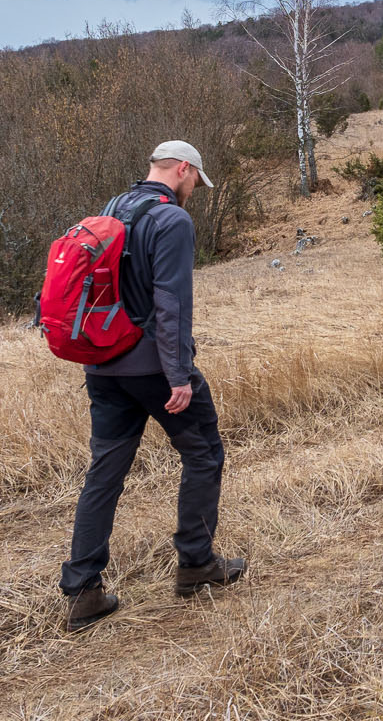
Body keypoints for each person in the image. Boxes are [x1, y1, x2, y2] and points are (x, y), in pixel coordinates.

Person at [60, 140, 246, 632]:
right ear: (183, 169)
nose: (194, 193)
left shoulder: (113, 208)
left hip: (102, 366)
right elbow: (172, 305)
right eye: (194, 183)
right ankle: (196, 565)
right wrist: (178, 375)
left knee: (104, 473)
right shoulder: (172, 220)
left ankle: (83, 591)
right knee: (204, 451)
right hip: (151, 369)